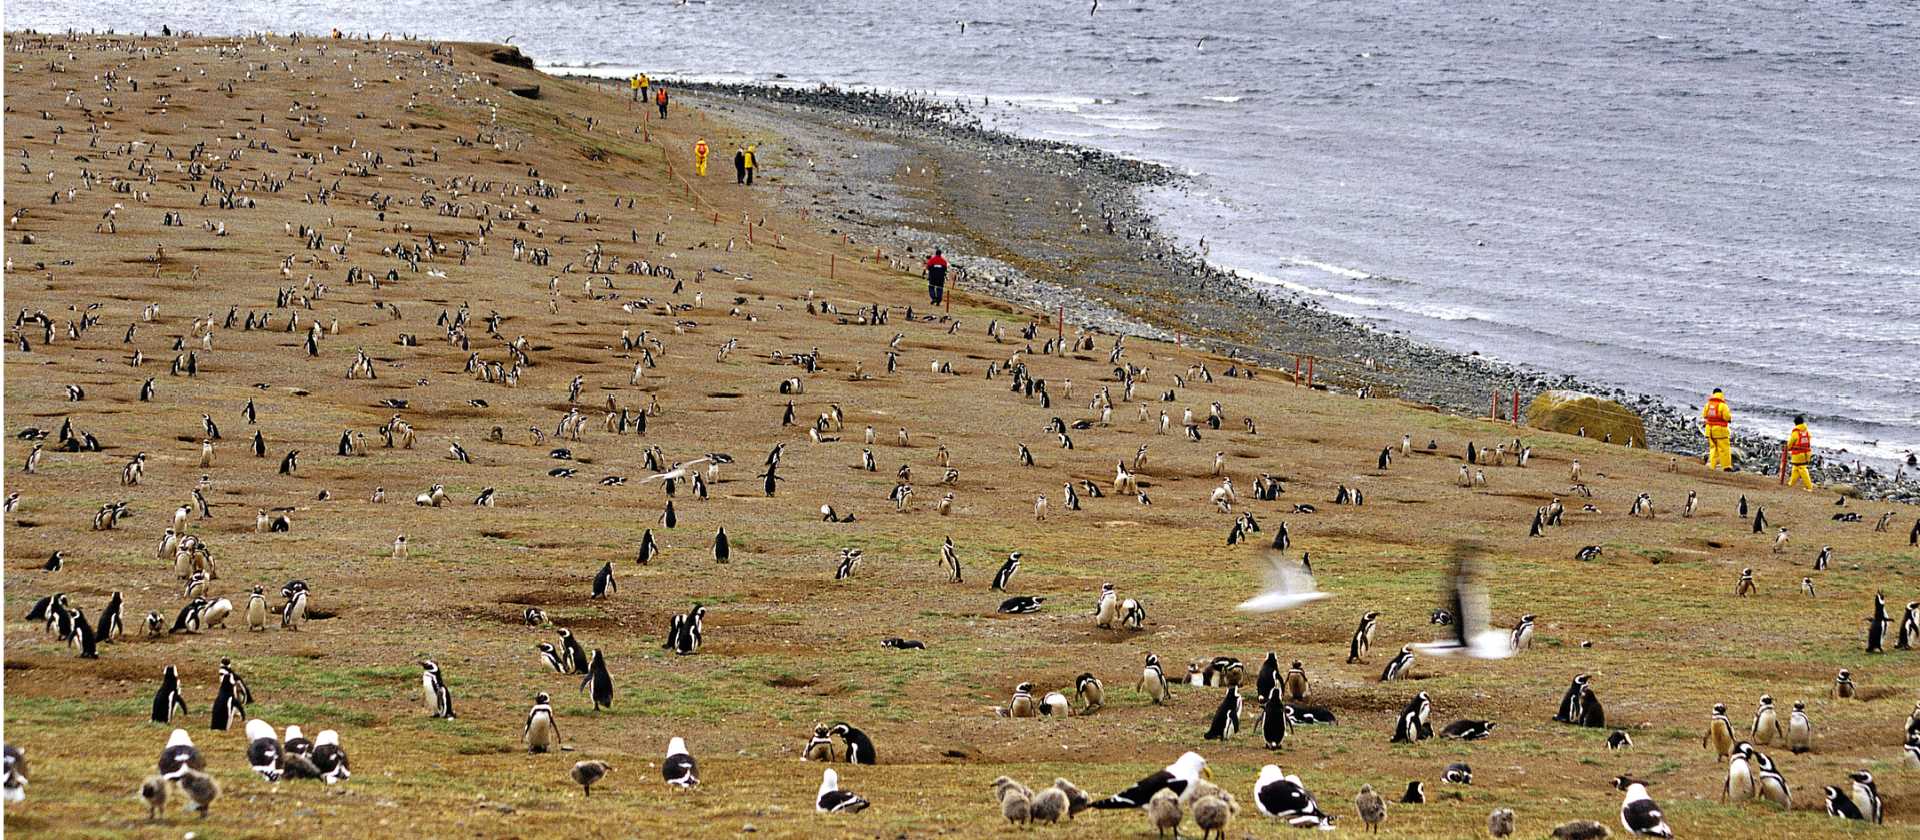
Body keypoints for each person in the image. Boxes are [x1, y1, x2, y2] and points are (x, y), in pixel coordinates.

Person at [1701, 388, 1733, 470]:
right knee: (1724, 449)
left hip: (1709, 430)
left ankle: (1712, 466)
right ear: (1721, 394)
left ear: (1713, 394)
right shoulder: (1723, 405)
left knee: (1713, 449)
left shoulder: (1708, 404)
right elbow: (1727, 417)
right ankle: (1726, 467)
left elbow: (1704, 415)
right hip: (1720, 431)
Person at [1785, 415, 1815, 490]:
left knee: (1802, 469)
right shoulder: (1806, 432)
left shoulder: (1795, 433)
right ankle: (1791, 483)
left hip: (1797, 454)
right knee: (1795, 468)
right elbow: (1808, 440)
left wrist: (1787, 448)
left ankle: (1809, 487)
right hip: (1806, 454)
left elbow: (1791, 442)